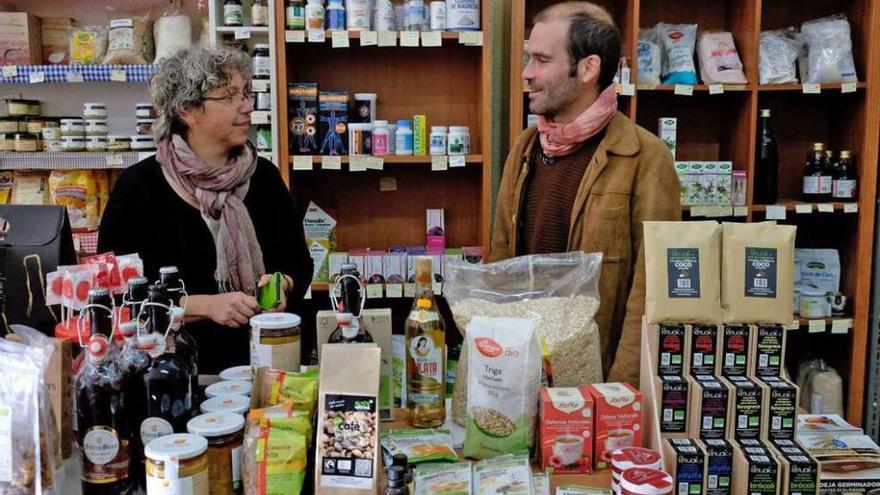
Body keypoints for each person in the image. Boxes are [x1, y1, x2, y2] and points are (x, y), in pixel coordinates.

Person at [490, 2, 680, 386]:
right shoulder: (525, 148)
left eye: (542, 60)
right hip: (522, 373)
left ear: (588, 68)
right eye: (529, 58)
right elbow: (500, 264)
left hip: (594, 381)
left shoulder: (645, 157)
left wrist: (621, 389)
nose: (527, 73)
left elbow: (651, 295)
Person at [98, 47, 313, 373]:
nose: (247, 106)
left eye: (247, 93)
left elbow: (299, 262)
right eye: (230, 97)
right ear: (188, 110)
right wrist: (205, 306)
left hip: (265, 368)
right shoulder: (138, 189)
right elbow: (118, 297)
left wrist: (282, 284)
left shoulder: (264, 178)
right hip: (172, 373)